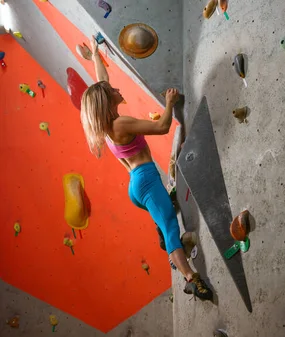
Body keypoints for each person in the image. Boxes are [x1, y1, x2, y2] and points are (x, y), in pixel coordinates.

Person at [79, 36, 212, 301]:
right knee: (171, 229)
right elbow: (162, 127)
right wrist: (170, 103)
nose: (116, 89)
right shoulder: (121, 124)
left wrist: (95, 54)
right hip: (148, 182)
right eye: (111, 91)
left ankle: (162, 231)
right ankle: (191, 278)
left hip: (137, 186)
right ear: (107, 101)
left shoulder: (107, 129)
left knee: (163, 220)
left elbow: (101, 80)